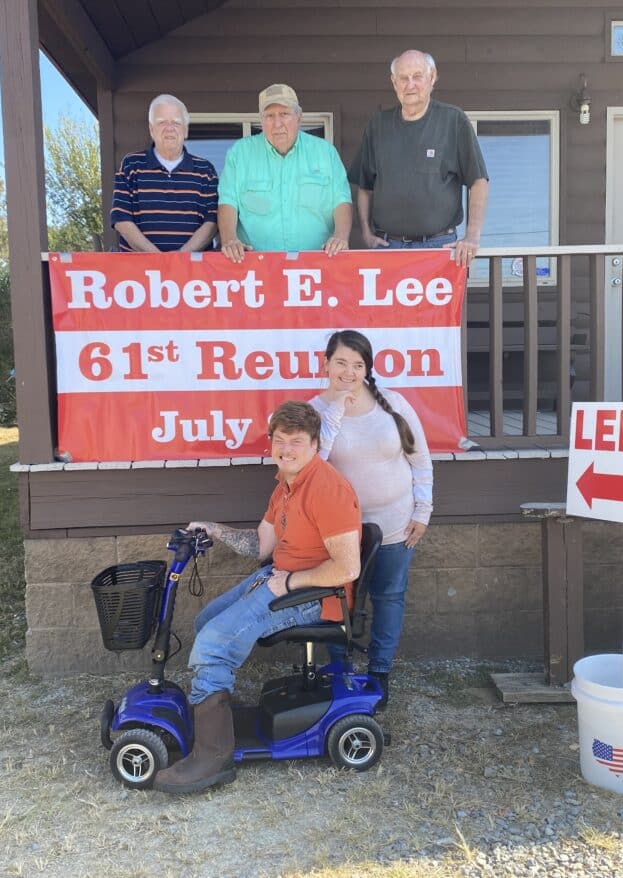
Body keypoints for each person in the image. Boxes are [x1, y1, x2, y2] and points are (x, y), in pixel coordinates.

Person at [154, 400, 361, 794]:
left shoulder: (327, 489)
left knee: (214, 646)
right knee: (204, 623)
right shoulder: (285, 484)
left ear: (315, 445)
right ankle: (217, 719)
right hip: (281, 578)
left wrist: (291, 582)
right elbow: (262, 546)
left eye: (296, 441)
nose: (286, 448)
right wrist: (213, 529)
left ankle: (213, 758)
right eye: (280, 440)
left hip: (317, 594)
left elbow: (347, 568)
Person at [309, 330, 432, 710]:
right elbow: (313, 466)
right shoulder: (313, 411)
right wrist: (336, 409)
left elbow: (419, 458)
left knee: (389, 596)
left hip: (396, 523)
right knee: (335, 600)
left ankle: (380, 672)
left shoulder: (393, 402)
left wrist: (423, 510)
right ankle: (339, 671)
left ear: (368, 368)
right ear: (325, 364)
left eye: (358, 365)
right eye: (341, 363)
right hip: (338, 530)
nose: (348, 372)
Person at [349, 49, 489, 267]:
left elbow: (478, 181)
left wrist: (472, 236)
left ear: (432, 78)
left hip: (439, 247)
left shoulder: (454, 121)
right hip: (388, 247)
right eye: (403, 78)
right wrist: (366, 232)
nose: (410, 84)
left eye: (417, 76)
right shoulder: (378, 126)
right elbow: (365, 186)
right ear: (394, 82)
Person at [218, 83, 352, 263]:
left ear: (299, 117)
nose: (277, 124)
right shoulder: (239, 154)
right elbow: (228, 202)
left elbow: (341, 200)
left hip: (317, 265)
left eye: (284, 114)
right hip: (255, 267)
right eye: (270, 116)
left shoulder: (325, 152)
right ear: (261, 120)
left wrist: (340, 236)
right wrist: (229, 239)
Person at [110, 94, 218, 253]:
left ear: (186, 130)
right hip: (139, 267)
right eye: (162, 122)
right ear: (151, 129)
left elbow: (212, 221)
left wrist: (180, 257)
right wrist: (158, 259)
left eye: (176, 122)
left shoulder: (205, 170)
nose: (169, 128)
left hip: (192, 268)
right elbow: (121, 218)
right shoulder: (131, 165)